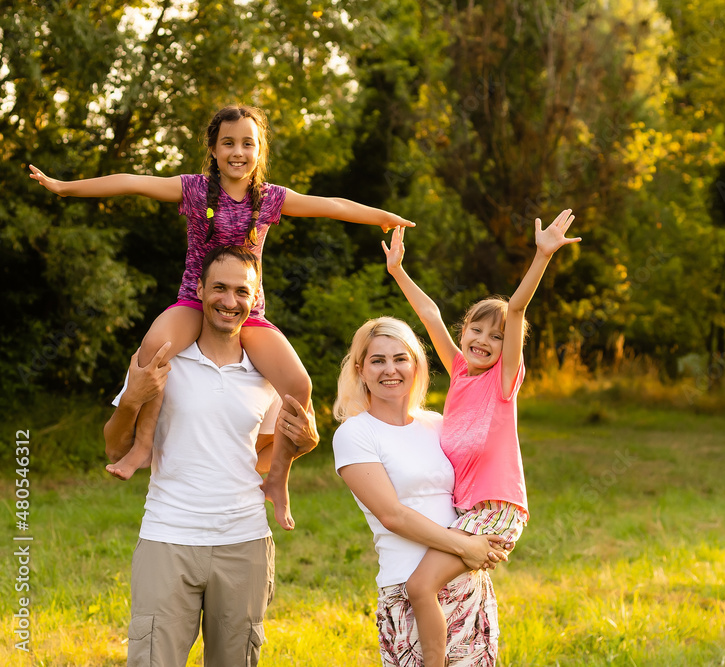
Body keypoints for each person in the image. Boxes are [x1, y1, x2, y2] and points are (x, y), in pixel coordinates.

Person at [29, 104, 411, 531]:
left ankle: (278, 478)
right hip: (196, 302)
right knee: (154, 348)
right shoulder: (194, 189)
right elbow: (133, 182)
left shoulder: (270, 198)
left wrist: (381, 217)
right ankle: (141, 446)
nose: (238, 152)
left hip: (248, 310)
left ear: (259, 150)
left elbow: (332, 205)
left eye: (248, 143)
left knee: (299, 384)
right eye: (228, 143)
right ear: (213, 149)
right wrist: (66, 188)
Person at [103, 245, 318, 667]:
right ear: (199, 289)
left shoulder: (266, 375)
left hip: (244, 541)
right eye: (219, 288)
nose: (229, 300)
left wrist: (301, 446)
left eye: (241, 291)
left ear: (254, 299)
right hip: (169, 536)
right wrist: (131, 399)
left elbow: (258, 458)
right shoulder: (164, 360)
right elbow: (113, 448)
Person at [382, 209, 579, 666]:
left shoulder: (502, 382)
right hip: (468, 512)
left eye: (497, 336)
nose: (484, 340)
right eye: (476, 329)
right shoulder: (458, 372)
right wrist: (398, 272)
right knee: (441, 591)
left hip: (496, 509)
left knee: (420, 585)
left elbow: (517, 309)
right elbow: (429, 313)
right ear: (464, 331)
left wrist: (542, 256)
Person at [333, 317, 511, 666]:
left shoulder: (438, 424)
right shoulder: (355, 433)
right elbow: (392, 515)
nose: (390, 369)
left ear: (416, 365)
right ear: (360, 369)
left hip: (464, 580)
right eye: (378, 360)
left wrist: (492, 535)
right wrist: (466, 546)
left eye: (400, 358)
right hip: (407, 588)